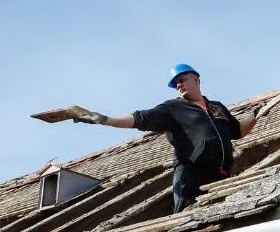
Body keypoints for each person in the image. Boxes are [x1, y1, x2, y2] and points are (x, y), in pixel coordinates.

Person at [73, 64, 257, 213]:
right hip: (192, 174)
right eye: (175, 83)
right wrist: (104, 119)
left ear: (196, 79)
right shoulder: (173, 108)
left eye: (181, 80)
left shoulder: (217, 108)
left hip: (220, 174)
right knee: (188, 218)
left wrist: (257, 113)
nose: (178, 85)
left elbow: (238, 131)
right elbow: (140, 118)